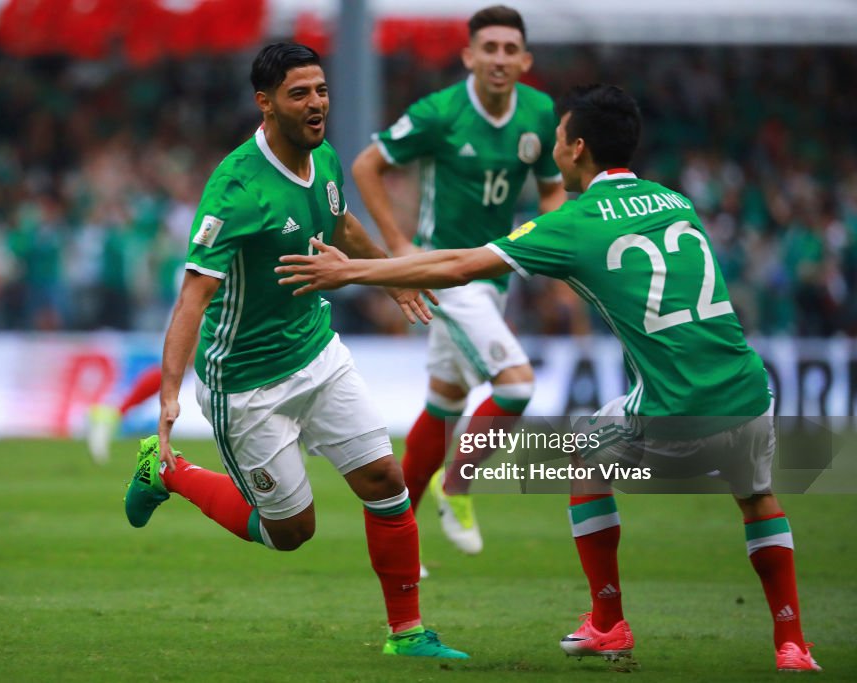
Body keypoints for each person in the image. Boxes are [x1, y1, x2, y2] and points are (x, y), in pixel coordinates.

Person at [276, 83, 820, 672]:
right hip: (748, 388)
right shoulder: (675, 200)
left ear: (576, 148)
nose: (552, 148)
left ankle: (609, 623)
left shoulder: (576, 222)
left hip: (676, 404)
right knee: (758, 499)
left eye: (559, 137)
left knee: (585, 457)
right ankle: (792, 644)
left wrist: (355, 270)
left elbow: (459, 265)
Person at [122, 42, 468, 659]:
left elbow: (340, 226)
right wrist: (170, 395)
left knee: (385, 479)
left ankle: (409, 633)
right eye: (300, 93)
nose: (317, 105)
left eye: (323, 90)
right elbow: (192, 299)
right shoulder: (235, 190)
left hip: (318, 353)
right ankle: (167, 470)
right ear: (265, 103)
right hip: (247, 384)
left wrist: (392, 275)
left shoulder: (325, 157)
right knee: (290, 533)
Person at [351, 5, 566, 558]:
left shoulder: (540, 112)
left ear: (525, 60)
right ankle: (458, 486)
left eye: (508, 49)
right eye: (487, 48)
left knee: (445, 401)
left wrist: (551, 248)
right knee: (516, 385)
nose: (498, 58)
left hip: (494, 273)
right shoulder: (440, 112)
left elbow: (550, 192)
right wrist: (401, 249)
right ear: (469, 56)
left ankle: (400, 537)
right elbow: (365, 166)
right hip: (444, 271)